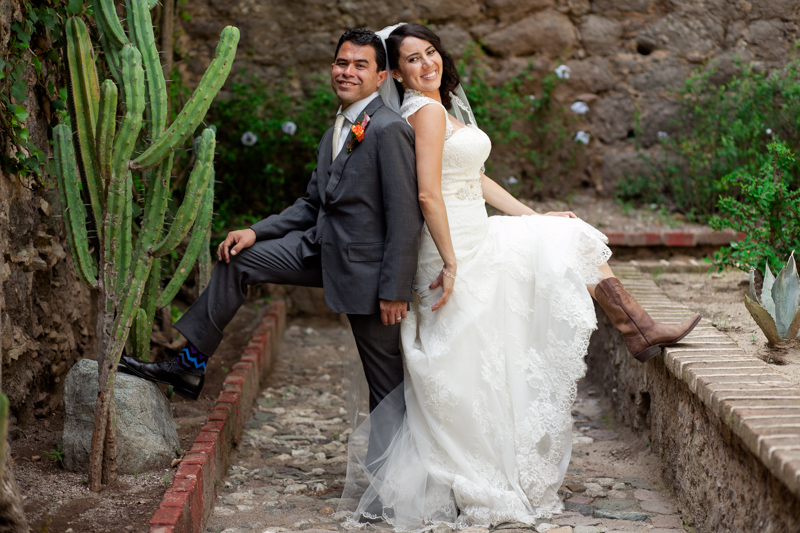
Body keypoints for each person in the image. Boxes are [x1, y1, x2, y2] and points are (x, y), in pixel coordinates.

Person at [338, 23, 701, 530]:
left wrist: (533, 217)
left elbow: (475, 178)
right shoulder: (422, 113)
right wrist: (449, 260)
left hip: (475, 230)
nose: (427, 65)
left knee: (564, 240)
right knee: (473, 356)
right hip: (455, 244)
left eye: (431, 53)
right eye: (412, 60)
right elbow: (427, 194)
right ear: (396, 72)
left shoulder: (442, 108)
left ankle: (635, 328)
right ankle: (634, 331)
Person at [119, 27, 423, 439]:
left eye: (360, 65)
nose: (347, 71)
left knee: (385, 386)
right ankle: (188, 366)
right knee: (237, 257)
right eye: (341, 62)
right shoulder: (335, 130)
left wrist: (395, 289)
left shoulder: (388, 130)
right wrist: (254, 232)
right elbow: (312, 205)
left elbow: (406, 215)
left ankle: (392, 493)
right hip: (319, 247)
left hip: (368, 272)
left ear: (381, 76)